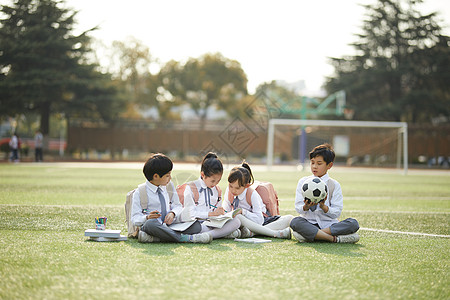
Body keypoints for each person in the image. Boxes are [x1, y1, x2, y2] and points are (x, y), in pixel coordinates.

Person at [131, 153, 212, 243]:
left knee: (196, 226)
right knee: (150, 224)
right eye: (167, 175)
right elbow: (135, 219)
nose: (170, 177)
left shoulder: (169, 186)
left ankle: (156, 238)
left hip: (170, 225)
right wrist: (147, 217)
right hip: (153, 226)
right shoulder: (139, 192)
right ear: (156, 176)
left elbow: (177, 205)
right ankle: (187, 238)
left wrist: (172, 213)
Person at [290, 143, 360, 243]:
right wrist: (305, 207)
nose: (314, 167)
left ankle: (314, 235)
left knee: (353, 223)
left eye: (319, 164)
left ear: (329, 165)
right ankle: (333, 239)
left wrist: (324, 207)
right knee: (295, 222)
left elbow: (337, 212)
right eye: (312, 163)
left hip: (329, 225)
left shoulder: (334, 185)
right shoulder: (303, 182)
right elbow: (298, 207)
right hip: (309, 223)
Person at [222, 161, 293, 239]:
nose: (233, 190)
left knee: (289, 218)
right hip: (240, 223)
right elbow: (226, 212)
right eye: (230, 186)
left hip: (261, 220)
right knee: (238, 219)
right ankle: (262, 232)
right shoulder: (229, 192)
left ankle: (253, 233)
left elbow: (259, 220)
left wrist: (243, 212)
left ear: (246, 186)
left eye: (237, 188)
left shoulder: (252, 194)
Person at [183, 152, 242, 239]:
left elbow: (217, 213)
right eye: (213, 181)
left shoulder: (217, 190)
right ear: (203, 175)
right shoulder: (191, 188)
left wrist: (220, 213)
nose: (215, 184)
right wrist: (210, 214)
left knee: (236, 221)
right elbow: (190, 214)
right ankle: (222, 233)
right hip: (197, 224)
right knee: (195, 227)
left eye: (218, 181)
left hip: (212, 223)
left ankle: (209, 235)